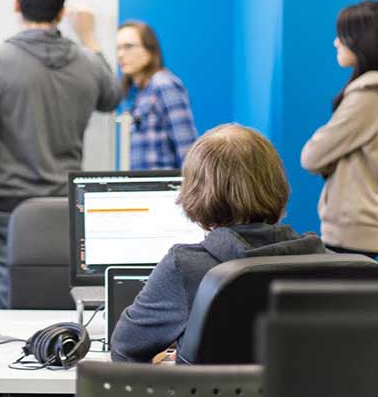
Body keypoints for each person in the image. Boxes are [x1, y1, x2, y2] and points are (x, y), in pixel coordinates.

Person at [0, 0, 123, 309]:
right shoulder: (88, 64)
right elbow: (112, 96)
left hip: (5, 214)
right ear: (61, 12)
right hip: (65, 213)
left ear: (17, 5)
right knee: (52, 323)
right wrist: (90, 39)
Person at [111, 124, 325, 363]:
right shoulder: (335, 265)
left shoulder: (184, 267)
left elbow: (124, 349)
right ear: (277, 185)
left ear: (196, 193)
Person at [301, 0, 378, 259]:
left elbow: (311, 156)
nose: (336, 42)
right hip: (370, 223)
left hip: (351, 227)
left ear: (363, 40)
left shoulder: (368, 97)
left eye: (342, 35)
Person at [115, 20, 197, 169]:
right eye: (118, 48)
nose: (120, 55)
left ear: (149, 51)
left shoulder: (164, 84)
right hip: (144, 188)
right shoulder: (140, 93)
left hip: (164, 189)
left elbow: (187, 149)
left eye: (128, 47)